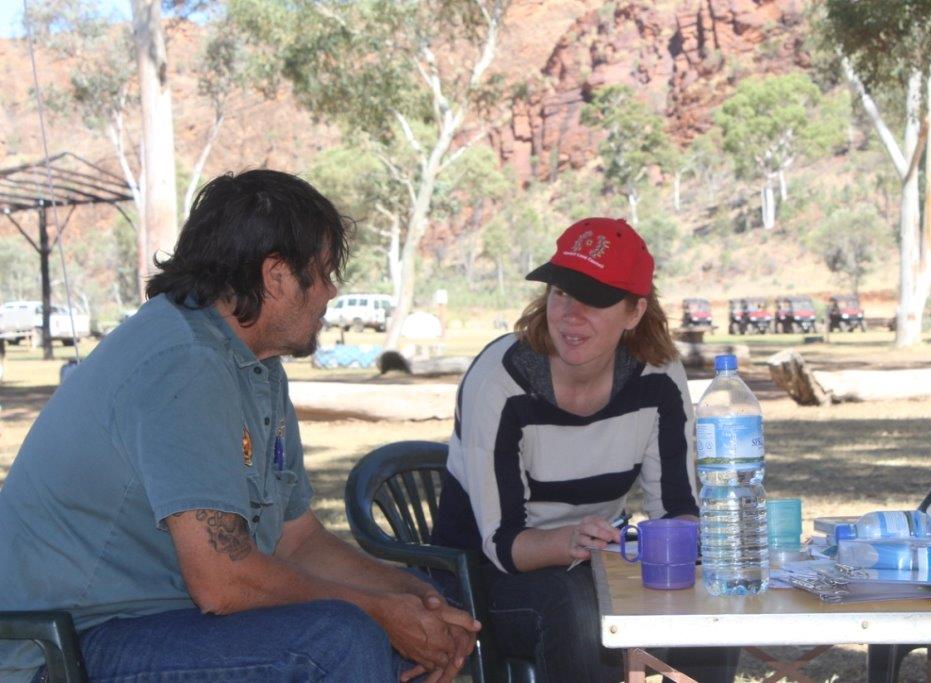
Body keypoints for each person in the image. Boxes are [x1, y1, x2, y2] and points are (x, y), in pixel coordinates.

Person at [0, 169, 478, 682]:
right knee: (337, 640)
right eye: (322, 272)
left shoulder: (255, 366)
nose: (332, 292)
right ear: (276, 275)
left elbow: (296, 539)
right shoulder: (183, 362)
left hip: (151, 624)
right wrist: (378, 611)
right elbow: (223, 582)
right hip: (62, 646)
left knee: (420, 608)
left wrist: (412, 597)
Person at [431, 217, 737, 682]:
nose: (570, 315)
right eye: (560, 292)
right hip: (484, 579)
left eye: (593, 299)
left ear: (634, 312)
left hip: (593, 567)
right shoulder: (500, 381)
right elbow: (501, 545)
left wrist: (697, 548)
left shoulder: (658, 375)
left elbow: (677, 509)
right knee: (578, 611)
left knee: (705, 596)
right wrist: (568, 541)